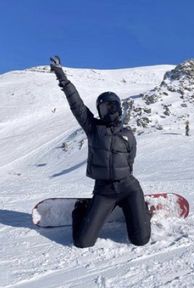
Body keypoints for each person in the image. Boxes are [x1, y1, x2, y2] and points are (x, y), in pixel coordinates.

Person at [50, 56, 151, 248]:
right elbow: (77, 105)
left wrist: (122, 177)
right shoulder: (93, 128)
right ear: (100, 111)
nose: (110, 111)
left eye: (113, 106)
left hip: (129, 188)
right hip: (104, 191)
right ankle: (83, 209)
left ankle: (140, 210)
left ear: (119, 108)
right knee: (82, 242)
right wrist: (62, 77)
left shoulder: (128, 134)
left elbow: (131, 160)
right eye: (105, 107)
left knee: (141, 240)